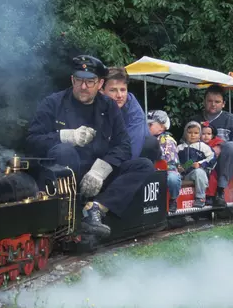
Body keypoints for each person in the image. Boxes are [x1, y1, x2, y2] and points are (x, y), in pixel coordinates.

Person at [26, 55, 154, 237]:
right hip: (62, 177)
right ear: (72, 79)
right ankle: (67, 213)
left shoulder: (109, 106)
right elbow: (32, 140)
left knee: (144, 165)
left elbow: (124, 145)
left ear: (100, 83)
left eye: (90, 82)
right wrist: (65, 136)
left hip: (96, 174)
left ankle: (96, 208)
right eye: (79, 80)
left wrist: (101, 170)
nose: (84, 86)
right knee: (65, 150)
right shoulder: (53, 103)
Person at [190, 85, 233, 207]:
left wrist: (221, 147)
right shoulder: (195, 120)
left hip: (223, 162)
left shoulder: (231, 120)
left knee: (232, 146)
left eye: (217, 102)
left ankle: (220, 192)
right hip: (198, 159)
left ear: (223, 104)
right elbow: (184, 141)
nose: (213, 104)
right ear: (204, 102)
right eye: (210, 101)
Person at [100, 67, 160, 161]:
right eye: (113, 90)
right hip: (105, 151)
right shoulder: (93, 103)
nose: (119, 95)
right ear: (101, 91)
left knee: (151, 143)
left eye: (123, 90)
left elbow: (131, 150)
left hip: (131, 154)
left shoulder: (134, 112)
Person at [147, 110, 182, 212]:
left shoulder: (167, 140)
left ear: (162, 127)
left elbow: (169, 163)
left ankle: (173, 199)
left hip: (166, 170)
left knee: (172, 178)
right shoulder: (143, 138)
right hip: (149, 169)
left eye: (150, 124)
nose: (147, 126)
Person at [177, 121, 215, 208]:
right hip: (183, 174)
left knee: (199, 172)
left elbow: (212, 159)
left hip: (198, 173)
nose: (192, 135)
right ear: (185, 133)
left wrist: (200, 164)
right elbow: (174, 160)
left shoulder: (203, 147)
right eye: (189, 132)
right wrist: (178, 167)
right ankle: (173, 200)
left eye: (196, 133)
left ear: (200, 134)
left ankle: (200, 198)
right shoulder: (179, 147)